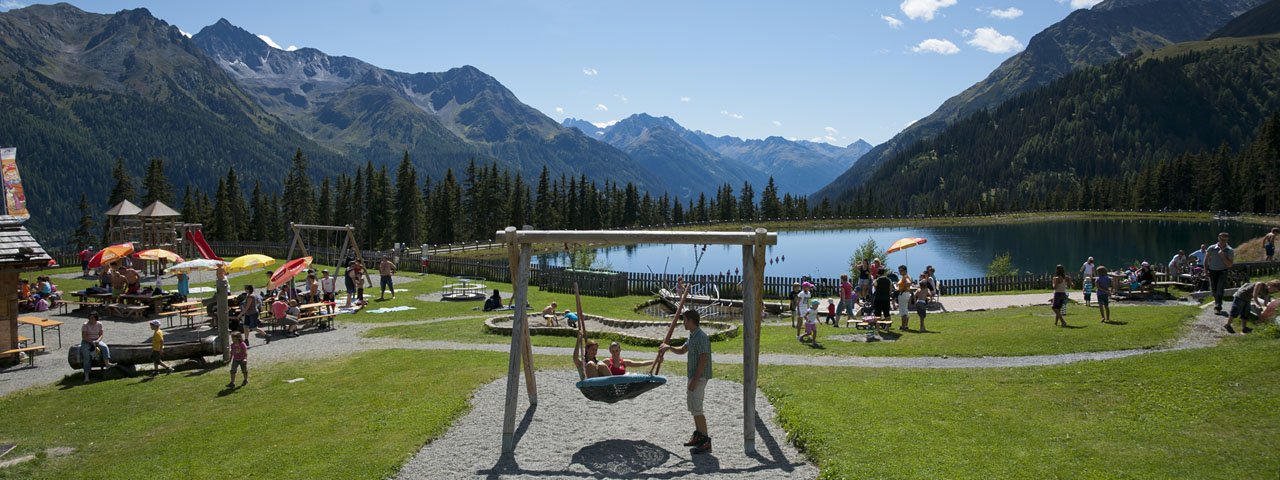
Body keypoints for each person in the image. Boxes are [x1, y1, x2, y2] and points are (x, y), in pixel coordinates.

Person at [661, 309, 712, 455]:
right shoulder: (692, 335)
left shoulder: (701, 337)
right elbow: (683, 350)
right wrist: (669, 347)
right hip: (694, 377)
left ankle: (706, 441)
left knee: (697, 408)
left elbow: (703, 359)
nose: (683, 323)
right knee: (693, 407)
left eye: (685, 320)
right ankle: (699, 435)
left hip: (699, 377)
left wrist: (695, 380)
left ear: (691, 321)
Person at [1205, 232, 1235, 314]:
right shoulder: (1211, 248)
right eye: (1221, 239)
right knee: (1214, 290)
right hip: (1212, 271)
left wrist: (1222, 256)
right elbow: (1206, 259)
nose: (1222, 241)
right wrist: (1205, 270)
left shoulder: (1230, 250)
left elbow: (1230, 264)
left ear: (1227, 240)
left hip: (1223, 271)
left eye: (1225, 240)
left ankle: (1218, 306)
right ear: (1218, 238)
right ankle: (1217, 302)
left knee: (1219, 289)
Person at [80, 311, 111, 382]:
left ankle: (107, 363)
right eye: (89, 318)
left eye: (92, 318)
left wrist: (98, 340)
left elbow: (101, 334)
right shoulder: (85, 325)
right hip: (86, 341)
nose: (90, 319)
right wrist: (91, 342)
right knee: (86, 356)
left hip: (96, 340)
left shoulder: (99, 324)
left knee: (105, 347)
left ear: (96, 318)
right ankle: (86, 376)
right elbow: (84, 336)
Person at [895, 265, 913, 330]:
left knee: (903, 311)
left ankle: (903, 326)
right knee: (905, 310)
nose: (900, 272)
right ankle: (905, 325)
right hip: (905, 294)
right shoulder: (904, 276)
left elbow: (909, 283)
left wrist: (903, 288)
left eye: (901, 270)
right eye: (899, 270)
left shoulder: (905, 276)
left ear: (905, 271)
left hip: (903, 294)